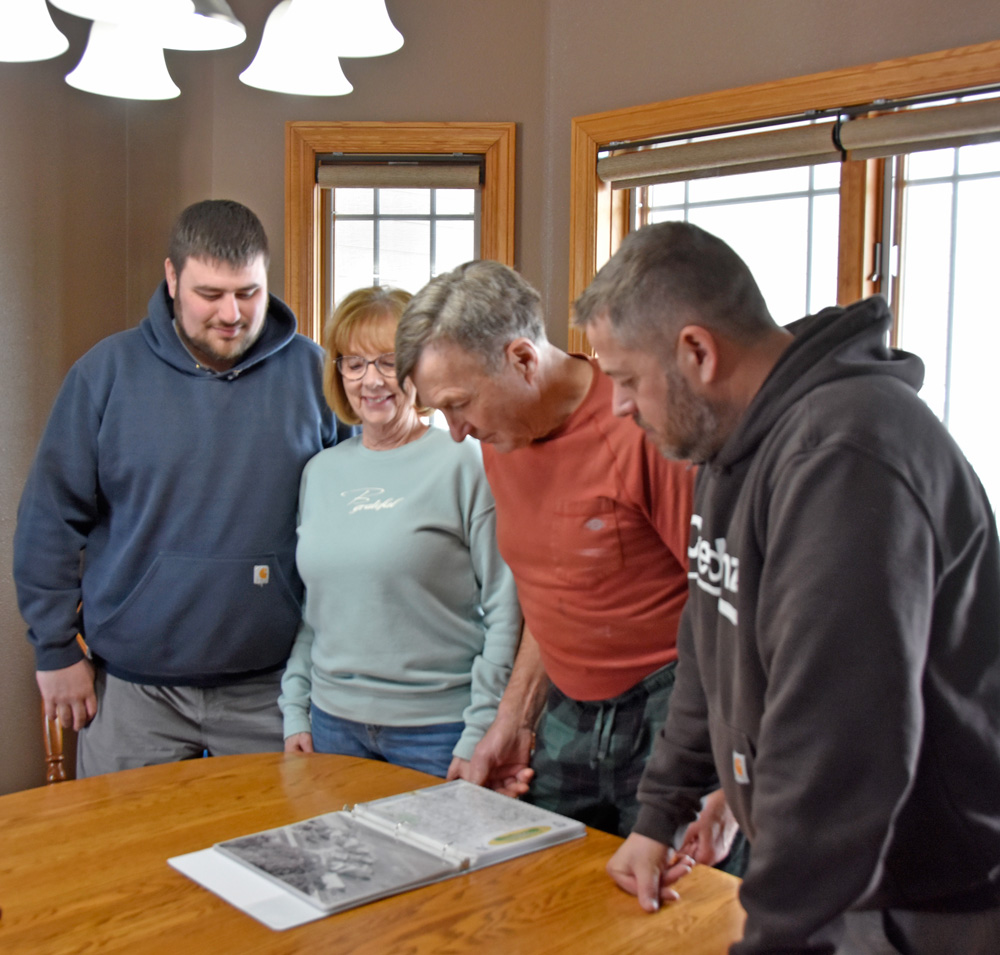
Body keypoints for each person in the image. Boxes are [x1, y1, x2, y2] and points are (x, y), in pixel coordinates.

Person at [574, 220, 1000, 954]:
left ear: (697, 352)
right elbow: (707, 643)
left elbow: (839, 743)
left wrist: (775, 938)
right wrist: (659, 814)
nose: (617, 406)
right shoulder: (730, 442)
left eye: (626, 378)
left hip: (923, 896)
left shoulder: (845, 450)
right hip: (846, 883)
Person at [395, 259, 740, 861]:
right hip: (567, 709)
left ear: (523, 360)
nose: (454, 432)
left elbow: (732, 608)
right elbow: (548, 588)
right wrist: (516, 718)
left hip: (669, 707)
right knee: (540, 891)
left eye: (458, 404)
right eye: (440, 412)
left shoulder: (641, 428)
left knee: (669, 909)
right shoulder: (502, 434)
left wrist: (733, 762)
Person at [14, 199, 346, 777]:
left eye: (248, 292)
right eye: (209, 294)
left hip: (274, 692)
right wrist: (55, 646)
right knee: (126, 859)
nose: (232, 313)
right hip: (135, 693)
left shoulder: (314, 374)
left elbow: (357, 512)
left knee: (279, 860)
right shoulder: (105, 374)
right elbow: (50, 519)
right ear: (172, 278)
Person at [279, 286, 521, 778]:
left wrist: (479, 730)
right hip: (330, 728)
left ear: (420, 367)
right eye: (355, 363)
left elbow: (506, 609)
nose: (371, 381)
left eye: (389, 362)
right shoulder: (320, 472)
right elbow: (315, 612)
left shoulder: (465, 461)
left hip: (438, 732)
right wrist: (295, 709)